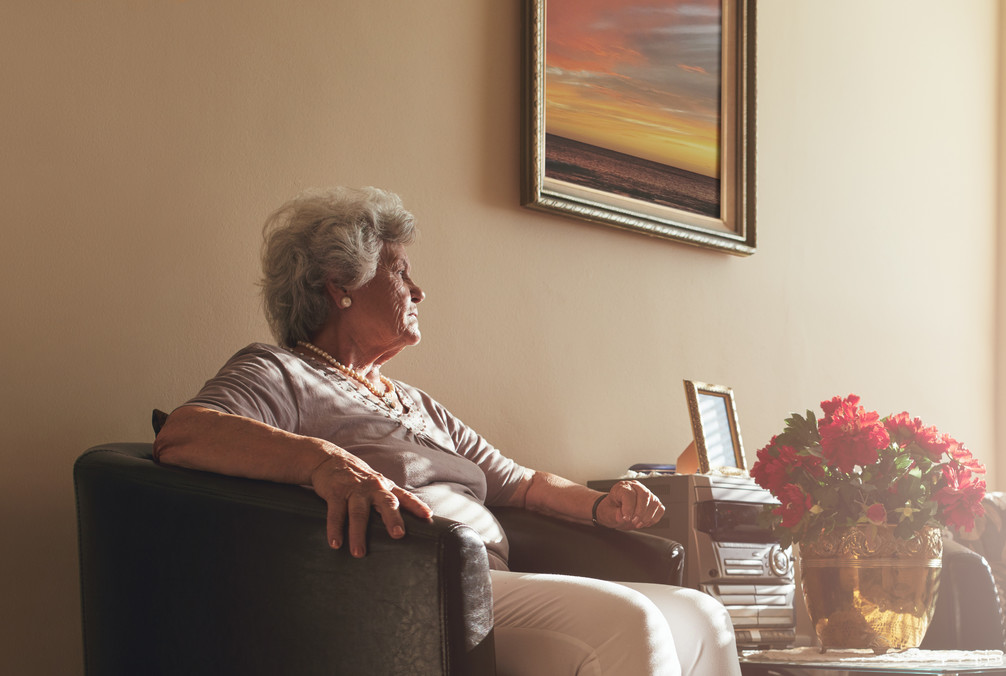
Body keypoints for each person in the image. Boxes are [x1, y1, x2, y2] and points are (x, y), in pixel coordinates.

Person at [153, 186, 740, 676]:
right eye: (399, 270)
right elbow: (184, 433)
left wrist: (602, 507)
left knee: (701, 613)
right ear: (340, 286)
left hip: (491, 580)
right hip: (418, 588)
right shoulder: (282, 371)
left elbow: (522, 483)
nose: (418, 289)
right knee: (627, 621)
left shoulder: (416, 403)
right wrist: (324, 460)